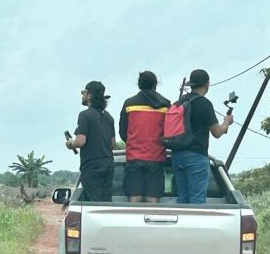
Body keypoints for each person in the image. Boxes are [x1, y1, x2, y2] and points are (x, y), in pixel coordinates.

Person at [170, 69, 233, 205]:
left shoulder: (179, 103)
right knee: (197, 201)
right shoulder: (203, 103)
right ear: (207, 84)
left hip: (176, 155)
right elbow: (217, 132)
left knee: (183, 198)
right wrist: (226, 122)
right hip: (196, 157)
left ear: (190, 84)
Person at [119, 71, 171, 202]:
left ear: (139, 85)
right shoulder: (165, 104)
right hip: (156, 158)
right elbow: (170, 130)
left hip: (134, 157)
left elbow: (122, 131)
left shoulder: (129, 104)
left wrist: (133, 142)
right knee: (153, 198)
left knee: (134, 197)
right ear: (155, 84)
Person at [66, 80, 116, 202]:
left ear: (89, 95)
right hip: (108, 164)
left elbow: (80, 141)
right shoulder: (109, 117)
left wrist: (70, 143)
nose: (82, 95)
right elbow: (113, 144)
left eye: (83, 92)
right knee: (105, 201)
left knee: (94, 202)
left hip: (92, 166)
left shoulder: (85, 115)